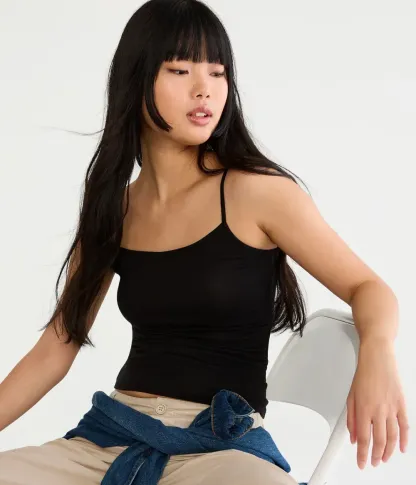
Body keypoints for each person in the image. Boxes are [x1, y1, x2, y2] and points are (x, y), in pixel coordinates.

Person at [0, 0, 409, 484]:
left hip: (220, 446)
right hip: (111, 435)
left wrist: (377, 353)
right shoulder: (114, 209)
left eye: (218, 73)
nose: (205, 89)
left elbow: (367, 287)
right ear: (136, 80)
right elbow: (55, 348)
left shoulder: (257, 193)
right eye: (180, 70)